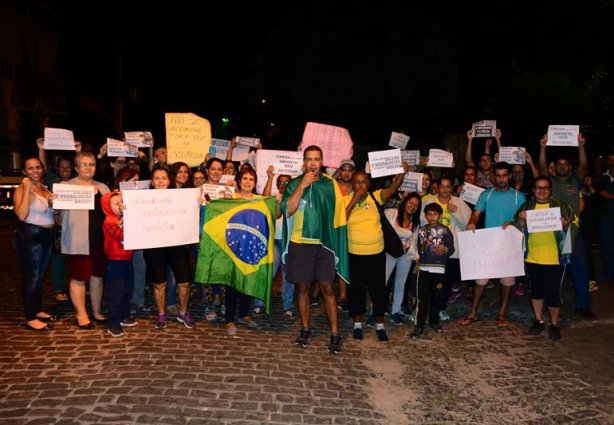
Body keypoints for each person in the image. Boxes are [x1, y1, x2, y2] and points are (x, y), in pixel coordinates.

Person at [281, 145, 350, 354]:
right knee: (302, 288)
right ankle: (305, 328)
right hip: (300, 243)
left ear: (322, 162)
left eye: (317, 159)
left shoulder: (330, 185)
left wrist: (337, 243)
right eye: (309, 159)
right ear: (304, 162)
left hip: (324, 245)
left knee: (328, 288)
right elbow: (288, 211)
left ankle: (335, 333)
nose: (313, 163)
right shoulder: (294, 183)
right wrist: (302, 185)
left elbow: (338, 218)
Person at [507, 176, 579, 340]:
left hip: (555, 258)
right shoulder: (527, 206)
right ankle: (538, 320)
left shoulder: (561, 206)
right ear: (533, 190)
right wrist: (518, 221)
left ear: (550, 190)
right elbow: (516, 227)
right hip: (532, 257)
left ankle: (554, 324)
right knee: (535, 291)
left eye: (545, 187)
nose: (541, 190)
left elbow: (575, 225)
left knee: (553, 292)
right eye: (538, 187)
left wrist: (566, 225)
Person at [460, 161, 526, 327]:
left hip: (509, 245)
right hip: (488, 244)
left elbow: (523, 220)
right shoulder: (486, 195)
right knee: (480, 282)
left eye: (505, 175)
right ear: (493, 177)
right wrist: (472, 222)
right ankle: (473, 312)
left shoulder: (519, 197)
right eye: (498, 176)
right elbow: (476, 213)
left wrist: (513, 223)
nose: (501, 179)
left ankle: (502, 314)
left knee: (507, 283)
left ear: (509, 176)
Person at [344, 168, 407, 343]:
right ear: (352, 184)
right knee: (356, 291)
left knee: (378, 290)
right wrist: (355, 200)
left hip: (376, 255)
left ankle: (380, 325)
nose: (360, 185)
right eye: (357, 182)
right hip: (355, 255)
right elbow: (341, 220)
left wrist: (401, 174)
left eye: (363, 181)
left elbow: (393, 188)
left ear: (368, 183)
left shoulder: (375, 197)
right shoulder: (345, 200)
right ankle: (357, 324)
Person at [538, 132, 596, 320]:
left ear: (570, 167)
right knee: (551, 271)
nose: (562, 166)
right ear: (555, 167)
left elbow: (584, 166)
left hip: (573, 232)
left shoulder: (576, 180)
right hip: (551, 233)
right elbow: (541, 166)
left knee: (580, 269)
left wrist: (580, 147)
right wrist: (543, 147)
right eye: (559, 164)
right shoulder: (550, 182)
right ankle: (550, 305)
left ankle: (583, 306)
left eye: (565, 164)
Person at [60, 152, 110, 329]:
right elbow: (56, 209)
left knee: (97, 277)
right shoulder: (66, 187)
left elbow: (112, 210)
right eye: (84, 164)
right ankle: (81, 314)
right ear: (76, 168)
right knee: (79, 278)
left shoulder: (103, 187)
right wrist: (54, 202)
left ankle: (96, 311)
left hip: (100, 242)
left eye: (92, 164)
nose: (89, 167)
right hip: (78, 241)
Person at [144, 166, 196, 330]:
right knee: (160, 283)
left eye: (164, 178)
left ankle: (183, 311)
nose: (160, 181)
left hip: (176, 244)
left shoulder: (179, 197)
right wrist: (125, 208)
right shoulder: (142, 199)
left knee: (184, 282)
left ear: (169, 180)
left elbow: (191, 211)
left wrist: (198, 202)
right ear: (152, 182)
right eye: (157, 178)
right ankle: (161, 313)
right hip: (154, 246)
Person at [13, 157, 57, 331]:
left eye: (38, 167)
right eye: (30, 168)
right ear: (24, 172)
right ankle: (31, 318)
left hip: (46, 235)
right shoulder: (22, 189)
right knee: (32, 277)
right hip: (31, 236)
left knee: (39, 276)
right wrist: (25, 188)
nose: (35, 171)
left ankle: (37, 310)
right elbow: (22, 215)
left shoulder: (43, 187)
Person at [421, 176, 472, 322]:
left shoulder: (459, 203)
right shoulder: (429, 202)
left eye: (448, 186)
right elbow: (423, 224)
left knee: (446, 283)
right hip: (433, 251)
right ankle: (430, 308)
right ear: (437, 187)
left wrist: (456, 212)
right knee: (432, 282)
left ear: (451, 188)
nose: (444, 189)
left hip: (452, 252)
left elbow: (468, 224)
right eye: (442, 186)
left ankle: (441, 308)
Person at [222, 168, 262, 335]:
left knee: (247, 282)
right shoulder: (232, 197)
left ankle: (244, 314)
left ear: (255, 183)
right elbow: (220, 209)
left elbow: (272, 214)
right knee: (233, 284)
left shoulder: (260, 200)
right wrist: (227, 191)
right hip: (234, 246)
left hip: (251, 247)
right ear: (239, 181)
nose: (247, 182)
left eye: (251, 179)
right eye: (244, 178)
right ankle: (229, 319)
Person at [411, 203, 455, 339]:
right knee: (422, 298)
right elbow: (417, 248)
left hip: (439, 269)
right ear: (425, 215)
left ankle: (434, 322)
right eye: (429, 214)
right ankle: (419, 326)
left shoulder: (445, 231)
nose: (432, 217)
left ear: (440, 215)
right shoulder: (422, 231)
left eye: (435, 214)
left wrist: (445, 249)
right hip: (423, 268)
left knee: (437, 297)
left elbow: (452, 249)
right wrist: (416, 263)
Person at [101, 192, 137, 337]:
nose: (120, 205)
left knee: (127, 289)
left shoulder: (121, 218)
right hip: (115, 261)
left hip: (127, 259)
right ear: (107, 207)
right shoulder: (109, 221)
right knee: (116, 293)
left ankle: (124, 316)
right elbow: (123, 235)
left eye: (121, 201)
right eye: (116, 204)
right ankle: (113, 323)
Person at [262, 167, 294, 318]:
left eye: (287, 182)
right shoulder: (274, 197)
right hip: (274, 241)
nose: (283, 185)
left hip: (289, 242)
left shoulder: (296, 198)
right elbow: (263, 199)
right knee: (269, 273)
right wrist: (269, 177)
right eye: (280, 182)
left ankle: (287, 306)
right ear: (277, 185)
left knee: (288, 277)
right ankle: (258, 303)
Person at [384, 193, 421, 325]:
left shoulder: (415, 221)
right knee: (382, 282)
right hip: (389, 253)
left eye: (416, 205)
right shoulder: (390, 213)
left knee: (400, 284)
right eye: (411, 203)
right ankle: (376, 311)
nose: (412, 206)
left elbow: (414, 240)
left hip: (405, 255)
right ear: (404, 201)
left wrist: (416, 258)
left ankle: (395, 311)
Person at [595, 152, 614, 286]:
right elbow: (598, 192)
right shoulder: (601, 178)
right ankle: (609, 275)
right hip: (606, 218)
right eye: (611, 160)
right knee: (607, 249)